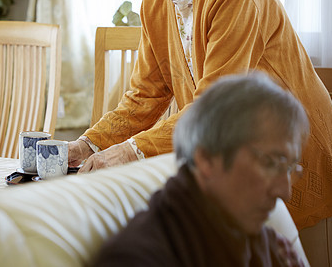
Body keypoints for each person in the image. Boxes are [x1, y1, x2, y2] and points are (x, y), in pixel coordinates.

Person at [68, 0, 332, 265]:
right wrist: (88, 144)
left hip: (294, 153)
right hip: (241, 167)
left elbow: (212, 109)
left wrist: (131, 150)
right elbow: (144, 95)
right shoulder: (155, 2)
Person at [91, 72, 309, 266]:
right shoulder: (137, 257)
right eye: (271, 163)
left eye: (289, 169)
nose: (284, 192)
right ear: (206, 159)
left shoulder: (274, 247)